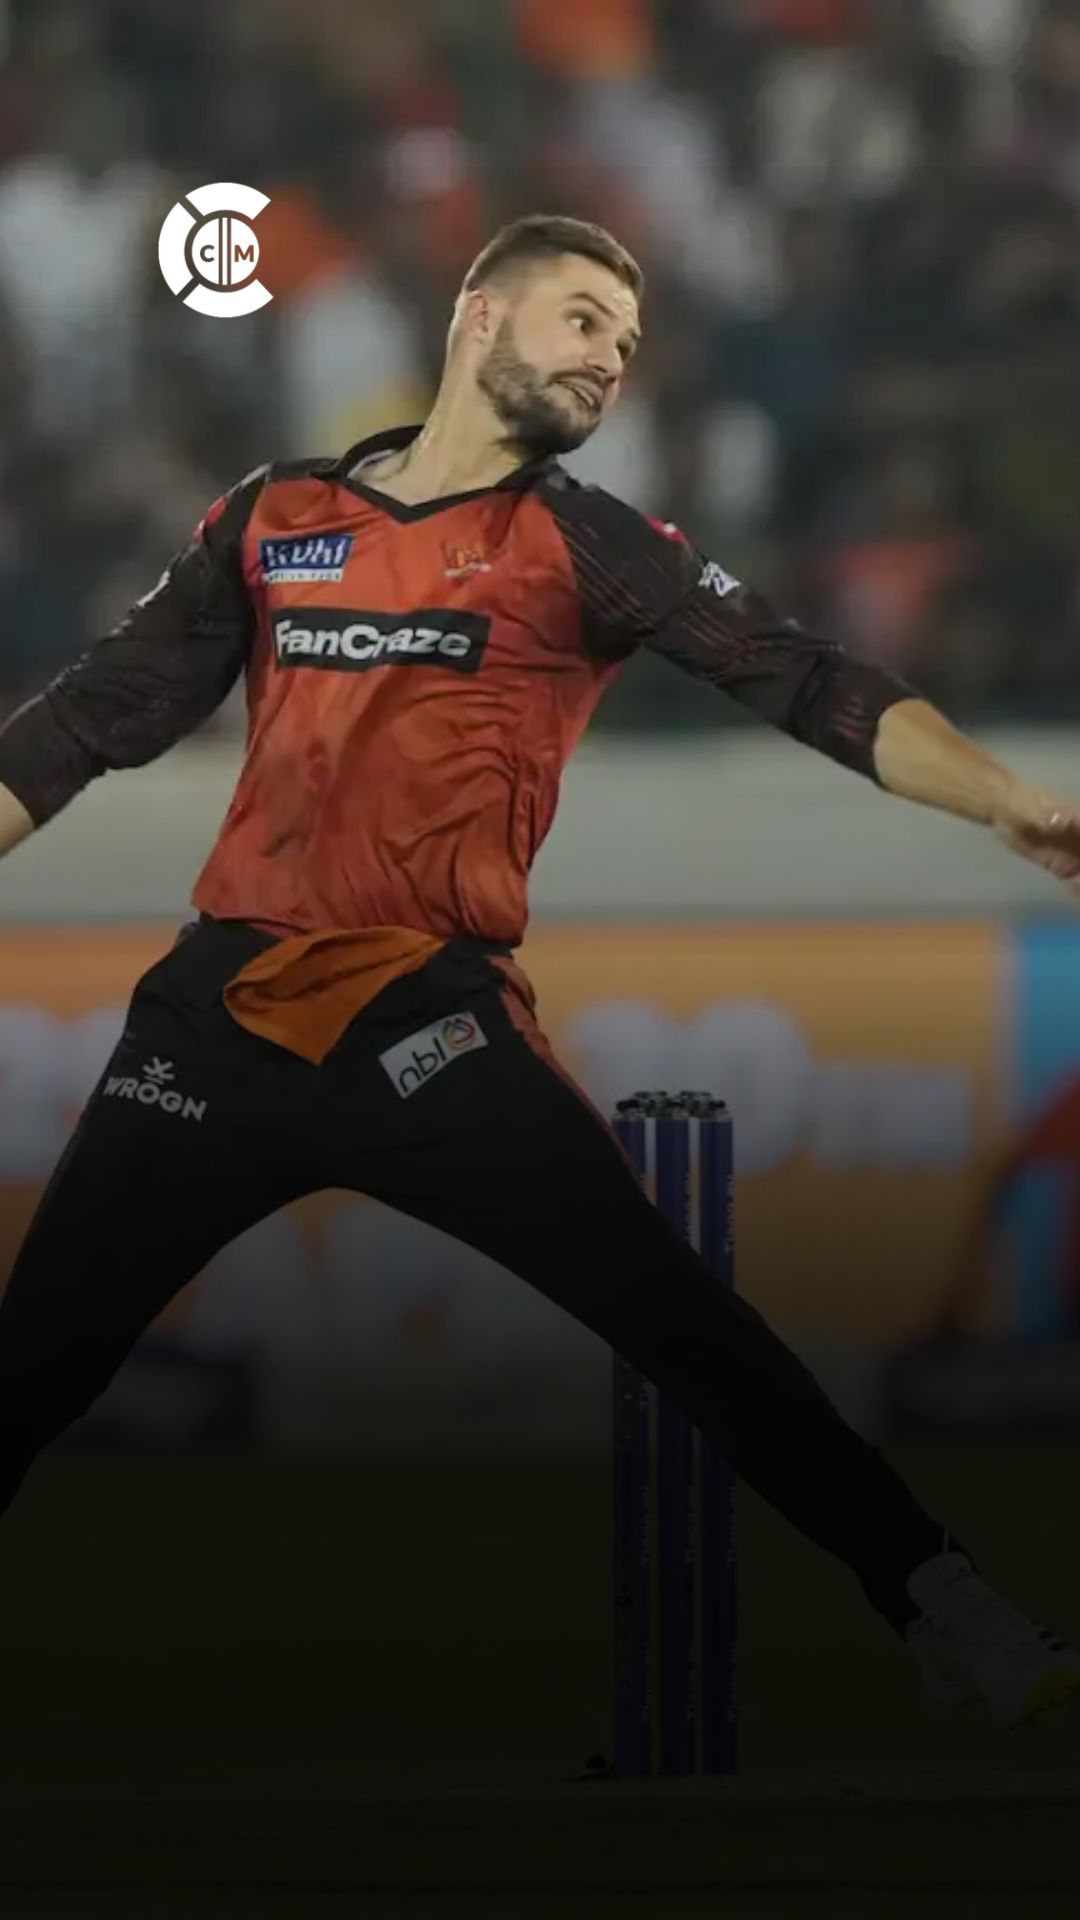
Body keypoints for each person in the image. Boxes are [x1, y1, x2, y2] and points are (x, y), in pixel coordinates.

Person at [0, 213, 1077, 1729]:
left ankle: (941, 1607)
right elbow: (85, 723)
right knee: (29, 1372)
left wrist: (1003, 799)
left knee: (677, 1317)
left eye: (624, 346)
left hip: (425, 1026)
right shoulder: (275, 512)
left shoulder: (586, 542)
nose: (607, 362)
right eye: (581, 322)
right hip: (215, 1023)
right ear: (481, 316)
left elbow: (810, 680)